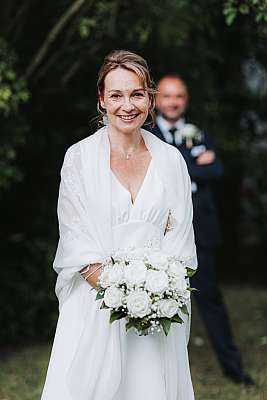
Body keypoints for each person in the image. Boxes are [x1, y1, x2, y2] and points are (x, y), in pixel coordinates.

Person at [41, 51, 197, 400]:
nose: (127, 105)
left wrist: (154, 299)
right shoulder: (79, 159)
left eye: (137, 94)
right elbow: (77, 241)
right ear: (101, 100)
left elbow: (180, 239)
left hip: (155, 315)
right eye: (116, 95)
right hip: (93, 306)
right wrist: (126, 296)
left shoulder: (171, 160)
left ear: (150, 97)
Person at [152, 74, 254, 385]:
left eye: (179, 96)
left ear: (186, 100)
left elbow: (217, 170)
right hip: (159, 229)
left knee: (210, 299)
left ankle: (234, 370)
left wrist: (187, 165)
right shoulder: (147, 134)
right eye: (167, 96)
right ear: (157, 99)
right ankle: (155, 375)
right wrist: (193, 163)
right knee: (156, 297)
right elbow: (160, 173)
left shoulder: (199, 133)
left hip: (201, 229)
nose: (173, 102)